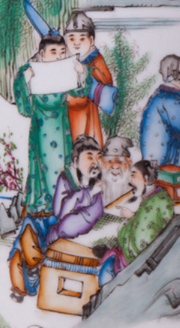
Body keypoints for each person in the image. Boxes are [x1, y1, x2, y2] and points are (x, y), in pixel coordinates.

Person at [8, 136, 105, 301]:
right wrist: (83, 194)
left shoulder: (99, 184)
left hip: (65, 226)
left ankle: (26, 282)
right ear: (76, 161)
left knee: (30, 230)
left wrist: (84, 195)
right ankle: (31, 269)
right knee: (29, 224)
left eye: (98, 157)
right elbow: (59, 212)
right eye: (90, 157)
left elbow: (86, 217)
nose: (95, 162)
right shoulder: (67, 177)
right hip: (59, 220)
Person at [12, 32, 85, 219]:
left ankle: (63, 204)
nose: (59, 56)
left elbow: (81, 92)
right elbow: (25, 109)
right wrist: (24, 80)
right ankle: (42, 203)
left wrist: (81, 72)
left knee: (62, 165)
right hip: (41, 129)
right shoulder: (33, 71)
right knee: (42, 166)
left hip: (61, 128)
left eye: (62, 52)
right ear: (42, 54)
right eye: (53, 52)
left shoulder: (66, 70)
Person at [93, 159, 175, 282]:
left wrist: (124, 229)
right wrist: (132, 216)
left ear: (145, 179)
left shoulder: (154, 202)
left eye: (133, 175)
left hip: (137, 262)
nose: (129, 180)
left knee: (106, 271)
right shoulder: (157, 196)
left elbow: (140, 244)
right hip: (144, 251)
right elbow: (146, 222)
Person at [62, 11, 116, 146]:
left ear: (91, 40)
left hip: (87, 112)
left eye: (82, 39)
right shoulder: (63, 60)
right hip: (66, 111)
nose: (77, 43)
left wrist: (85, 72)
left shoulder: (95, 59)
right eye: (72, 39)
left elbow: (107, 81)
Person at [99, 135, 136, 205]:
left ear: (129, 164)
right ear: (102, 163)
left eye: (120, 162)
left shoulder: (135, 194)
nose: (115, 166)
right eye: (110, 161)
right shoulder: (95, 192)